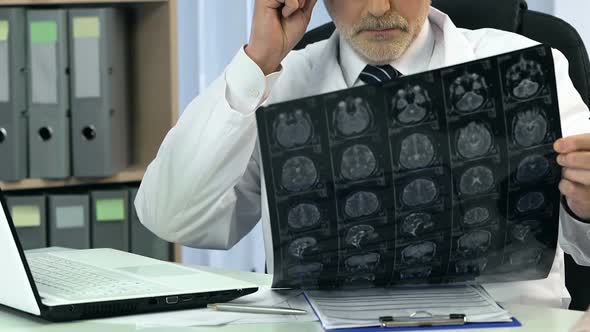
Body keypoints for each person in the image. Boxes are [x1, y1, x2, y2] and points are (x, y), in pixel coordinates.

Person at [136, 0, 590, 308]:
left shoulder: (526, 66)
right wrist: (257, 61)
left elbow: (583, 246)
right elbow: (172, 218)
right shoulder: (278, 82)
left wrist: (585, 208)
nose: (378, 8)